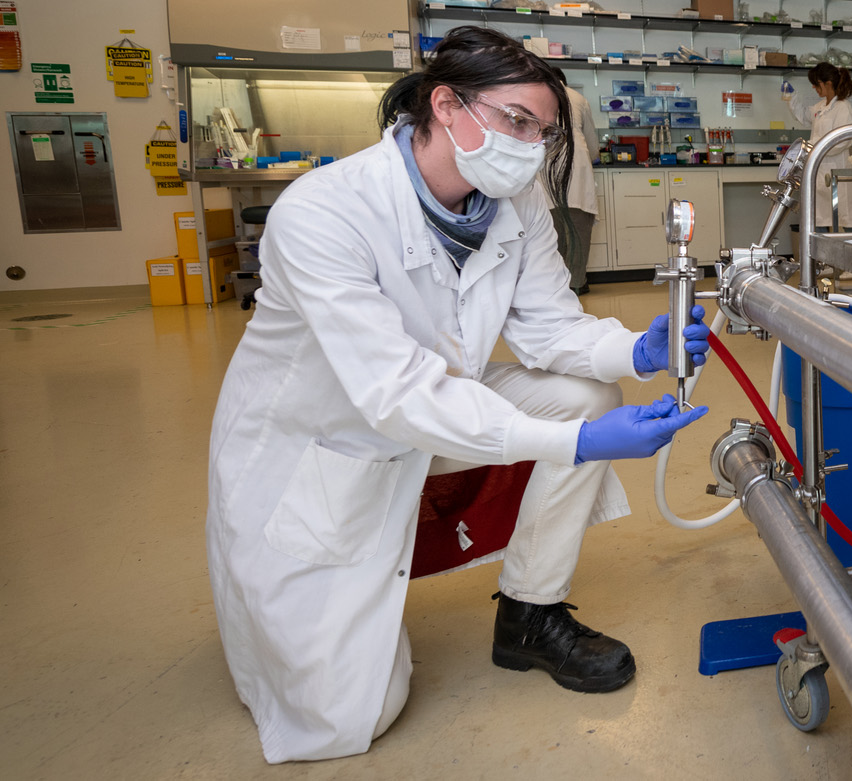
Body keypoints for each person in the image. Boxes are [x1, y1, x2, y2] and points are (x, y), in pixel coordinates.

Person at [205, 27, 712, 764]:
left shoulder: (515, 201)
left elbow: (549, 327)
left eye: (541, 131)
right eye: (516, 121)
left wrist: (633, 349)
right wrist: (574, 446)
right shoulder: (324, 212)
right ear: (446, 104)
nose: (531, 146)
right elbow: (394, 392)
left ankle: (530, 615)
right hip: (319, 447)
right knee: (351, 715)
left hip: (426, 414)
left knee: (584, 392)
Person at [783, 63, 852, 231]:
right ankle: (823, 258)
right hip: (819, 173)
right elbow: (804, 116)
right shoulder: (821, 107)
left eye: (816, 84)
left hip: (837, 173)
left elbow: (843, 141)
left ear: (828, 84)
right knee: (819, 221)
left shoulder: (843, 107)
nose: (814, 87)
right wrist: (791, 97)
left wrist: (815, 148)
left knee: (847, 222)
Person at [546, 67, 602, 295]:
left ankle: (555, 287)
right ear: (565, 81)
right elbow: (592, 144)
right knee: (578, 234)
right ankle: (577, 283)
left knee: (551, 235)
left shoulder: (537, 95)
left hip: (543, 171)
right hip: (577, 169)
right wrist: (592, 157)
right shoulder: (578, 98)